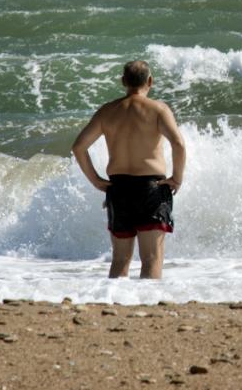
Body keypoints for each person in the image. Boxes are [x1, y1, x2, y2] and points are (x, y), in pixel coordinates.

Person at [72, 60, 186, 279]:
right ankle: (147, 304)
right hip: (151, 188)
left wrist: (96, 180)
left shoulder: (107, 111)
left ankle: (114, 302)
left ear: (123, 81)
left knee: (120, 259)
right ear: (150, 81)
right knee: (151, 258)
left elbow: (79, 147)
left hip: (119, 188)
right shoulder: (158, 110)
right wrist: (177, 179)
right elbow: (178, 144)